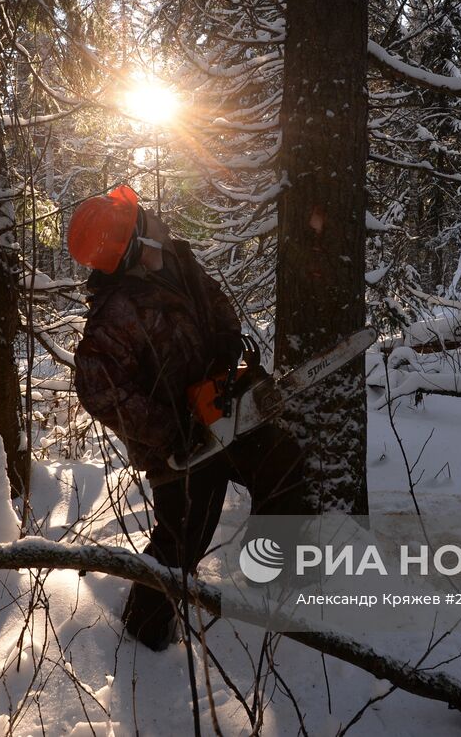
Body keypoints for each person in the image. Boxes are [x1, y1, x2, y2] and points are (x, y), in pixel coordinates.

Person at [68, 185, 307, 651]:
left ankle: (270, 577)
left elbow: (218, 306)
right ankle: (143, 636)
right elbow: (99, 391)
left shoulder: (179, 262)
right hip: (177, 447)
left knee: (282, 463)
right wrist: (170, 429)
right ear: (134, 246)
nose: (157, 220)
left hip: (224, 410)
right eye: (145, 220)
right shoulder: (117, 314)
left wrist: (227, 345)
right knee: (180, 544)